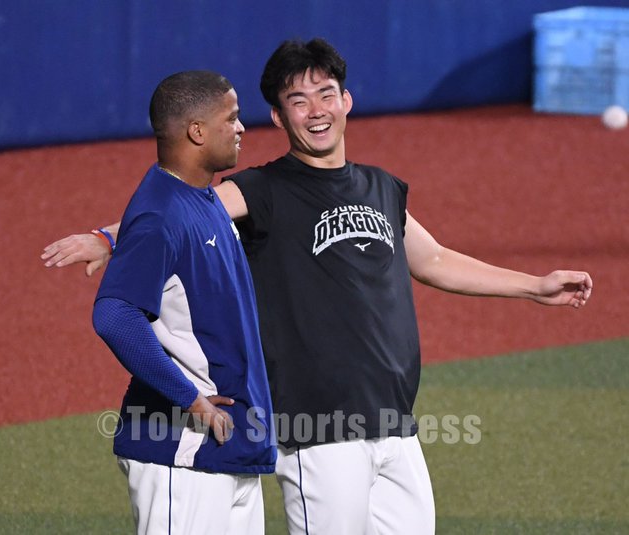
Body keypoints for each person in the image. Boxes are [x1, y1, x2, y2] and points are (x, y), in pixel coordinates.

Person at [42, 40, 592, 535]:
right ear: (279, 117)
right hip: (317, 429)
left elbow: (436, 259)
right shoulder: (264, 189)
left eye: (326, 94)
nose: (316, 110)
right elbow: (181, 214)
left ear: (346, 101)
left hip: (394, 422)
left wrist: (534, 287)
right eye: (298, 101)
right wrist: (108, 237)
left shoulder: (380, 188)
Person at [89, 70, 275, 535]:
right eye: (231, 118)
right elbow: (114, 315)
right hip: (181, 452)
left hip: (229, 448)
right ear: (196, 131)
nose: (241, 128)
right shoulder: (160, 214)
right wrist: (190, 400)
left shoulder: (203, 199)